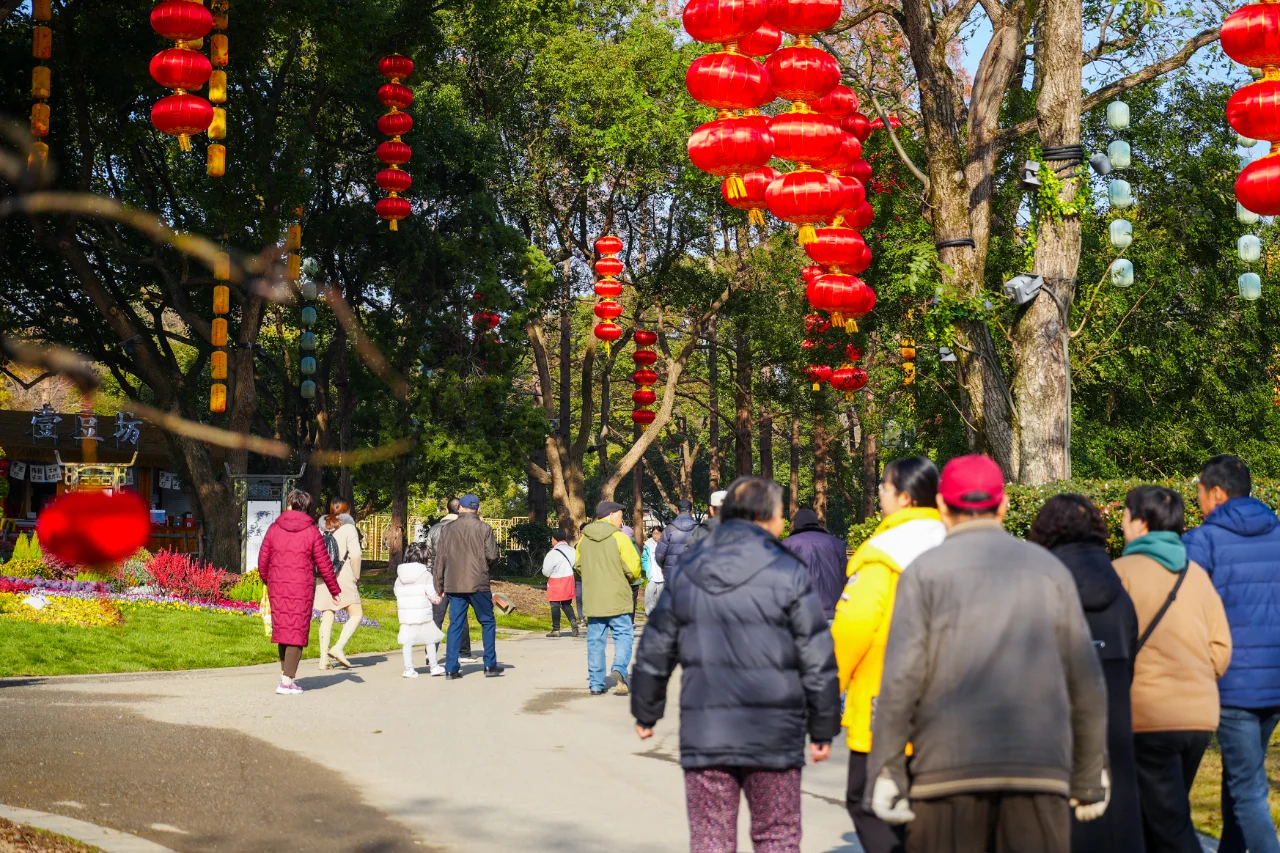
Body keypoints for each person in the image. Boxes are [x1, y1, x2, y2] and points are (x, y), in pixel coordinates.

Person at [865, 455, 1109, 853]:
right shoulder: (1050, 572)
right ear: (1004, 505)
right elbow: (1086, 680)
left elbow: (901, 680)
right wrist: (1090, 774)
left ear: (942, 505)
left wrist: (888, 769)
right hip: (1038, 770)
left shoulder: (923, 573)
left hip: (945, 772)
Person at [631, 476, 840, 853]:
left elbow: (657, 646)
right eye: (780, 514)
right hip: (775, 736)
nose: (782, 522)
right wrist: (823, 727)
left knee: (711, 838)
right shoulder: (789, 570)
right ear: (766, 516)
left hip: (707, 734)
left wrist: (646, 711)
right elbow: (816, 654)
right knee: (777, 836)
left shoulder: (690, 568)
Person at [831, 456, 946, 853]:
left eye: (884, 486)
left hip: (883, 702)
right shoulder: (953, 543)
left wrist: (827, 689)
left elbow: (852, 629)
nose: (879, 492)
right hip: (949, 706)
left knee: (866, 802)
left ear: (905, 497)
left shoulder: (883, 554)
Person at [1115, 485, 1232, 853]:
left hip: (1148, 717)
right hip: (1199, 716)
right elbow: (1221, 649)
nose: (1121, 523)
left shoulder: (1120, 573)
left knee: (1167, 825)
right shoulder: (1196, 575)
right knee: (1161, 817)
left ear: (1141, 522)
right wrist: (1195, 680)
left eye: (1125, 514)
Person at [1028, 494, 1143, 853]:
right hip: (1115, 717)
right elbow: (1132, 653)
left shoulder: (1042, 583)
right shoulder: (1117, 586)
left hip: (1056, 725)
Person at [1183, 455, 1280, 853]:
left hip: (1232, 681)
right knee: (1241, 779)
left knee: (1247, 788)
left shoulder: (1202, 542)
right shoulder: (1277, 533)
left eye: (1201, 494)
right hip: (1274, 680)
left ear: (1218, 494)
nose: (1199, 502)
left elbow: (1183, 607)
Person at [258, 489, 342, 695]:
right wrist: (334, 589)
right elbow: (324, 564)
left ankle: (285, 677)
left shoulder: (274, 528)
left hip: (277, 586)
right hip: (301, 588)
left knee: (283, 630)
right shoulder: (312, 531)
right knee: (296, 631)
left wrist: (268, 580)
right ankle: (286, 682)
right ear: (306, 507)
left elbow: (263, 559)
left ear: (290, 504)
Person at [433, 494, 503, 678]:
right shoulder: (484, 528)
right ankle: (490, 665)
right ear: (477, 509)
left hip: (454, 583)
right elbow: (492, 556)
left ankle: (451, 668)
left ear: (460, 508)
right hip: (478, 582)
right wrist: (486, 568)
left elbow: (440, 559)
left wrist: (438, 585)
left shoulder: (447, 529)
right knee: (487, 621)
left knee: (455, 624)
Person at [576, 500, 641, 695]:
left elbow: (578, 566)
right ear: (611, 515)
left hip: (594, 598)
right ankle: (619, 668)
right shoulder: (620, 538)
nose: (622, 520)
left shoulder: (583, 540)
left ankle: (596, 684)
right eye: (620, 516)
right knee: (623, 635)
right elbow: (634, 569)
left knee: (595, 641)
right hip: (617, 598)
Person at [314, 498, 363, 670]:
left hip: (324, 577)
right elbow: (355, 555)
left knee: (327, 616)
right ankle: (338, 647)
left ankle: (323, 659)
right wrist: (356, 575)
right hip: (343, 576)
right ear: (347, 511)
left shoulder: (322, 528)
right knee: (356, 614)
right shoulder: (348, 528)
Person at [424, 498, 474, 664]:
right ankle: (464, 652)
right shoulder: (462, 528)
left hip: (437, 574)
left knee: (437, 615)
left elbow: (429, 553)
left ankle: (430, 651)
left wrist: (430, 574)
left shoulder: (434, 529)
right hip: (458, 575)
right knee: (460, 614)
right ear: (460, 509)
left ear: (447, 510)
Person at [785, 507, 848, 620]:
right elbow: (845, 578)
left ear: (796, 524)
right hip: (833, 613)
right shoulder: (837, 544)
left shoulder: (787, 545)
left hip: (801, 615)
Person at [394, 542, 445, 677]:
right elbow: (433, 597)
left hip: (406, 616)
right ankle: (434, 666)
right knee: (430, 640)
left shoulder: (400, 577)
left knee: (407, 642)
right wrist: (440, 596)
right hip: (423, 615)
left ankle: (408, 669)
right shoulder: (425, 575)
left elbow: (396, 592)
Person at [542, 527, 579, 638]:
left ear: (555, 540)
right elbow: (577, 565)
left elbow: (546, 571)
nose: (551, 541)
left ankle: (556, 629)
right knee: (566, 604)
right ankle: (573, 622)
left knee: (555, 605)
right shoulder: (572, 550)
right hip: (569, 579)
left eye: (552, 539)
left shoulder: (552, 553)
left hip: (556, 580)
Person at [655, 499, 699, 582]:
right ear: (691, 511)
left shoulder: (669, 529)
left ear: (677, 511)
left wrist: (664, 567)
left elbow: (660, 555)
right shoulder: (699, 529)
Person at [642, 526, 664, 613]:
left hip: (662, 576)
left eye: (657, 533)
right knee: (649, 596)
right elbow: (644, 559)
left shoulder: (665, 544)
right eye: (654, 533)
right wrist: (647, 569)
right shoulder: (648, 544)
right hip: (652, 575)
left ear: (661, 534)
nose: (655, 535)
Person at [623, 524, 643, 617]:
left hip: (626, 578)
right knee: (633, 600)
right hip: (636, 578)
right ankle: (631, 620)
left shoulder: (624, 545)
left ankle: (626, 620)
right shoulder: (636, 546)